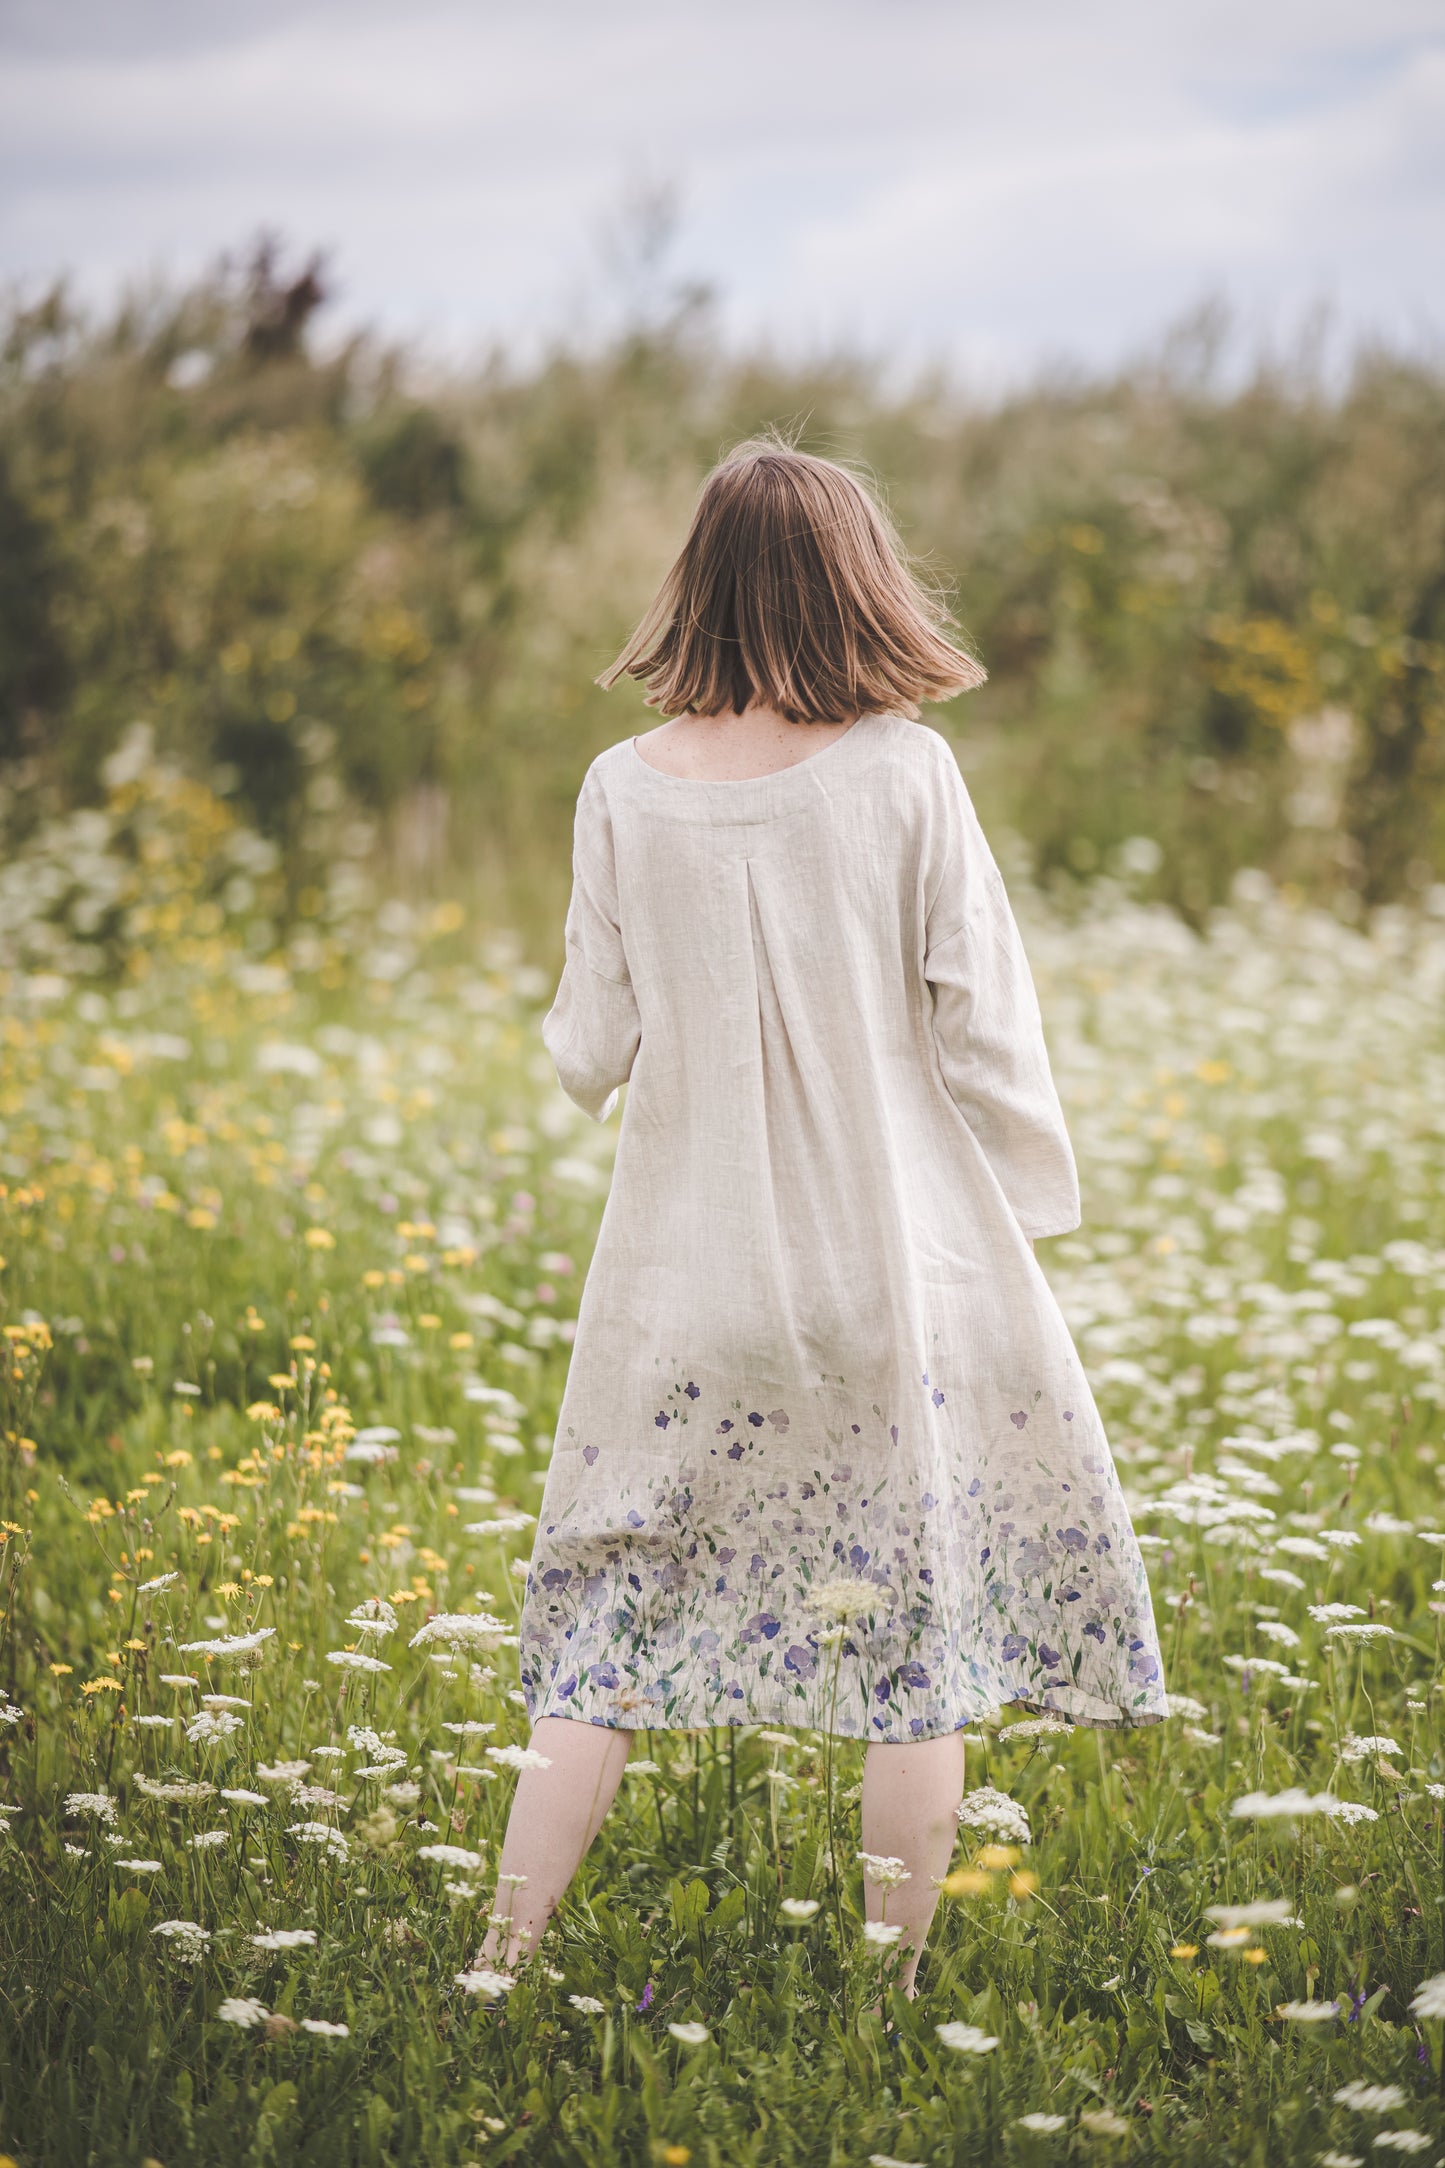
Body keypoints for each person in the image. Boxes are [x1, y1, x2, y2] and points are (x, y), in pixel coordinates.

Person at [477, 437, 1167, 1996]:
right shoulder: (905, 771)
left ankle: (499, 1964)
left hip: (685, 1284)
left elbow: (588, 1044)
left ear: (697, 583)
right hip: (886, 1276)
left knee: (609, 1610)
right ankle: (888, 1994)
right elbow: (985, 1027)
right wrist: (1031, 1199)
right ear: (856, 578)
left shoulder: (618, 789)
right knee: (910, 1640)